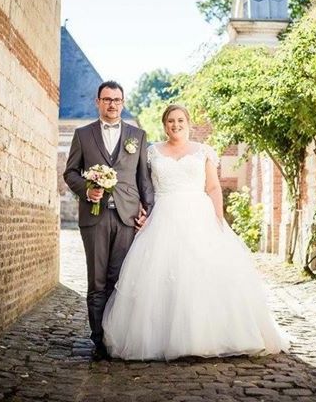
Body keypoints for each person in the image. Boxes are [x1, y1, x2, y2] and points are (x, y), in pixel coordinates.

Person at [102, 104, 287, 360]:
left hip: (198, 216)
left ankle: (206, 336)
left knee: (201, 274)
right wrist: (143, 213)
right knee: (162, 275)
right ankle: (164, 338)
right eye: (170, 121)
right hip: (163, 217)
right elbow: (144, 188)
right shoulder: (152, 152)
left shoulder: (202, 152)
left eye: (180, 120)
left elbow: (212, 188)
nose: (175, 125)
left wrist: (218, 219)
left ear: (188, 123)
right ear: (164, 124)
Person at [63, 81, 154, 361]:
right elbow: (70, 173)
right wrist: (87, 190)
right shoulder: (83, 134)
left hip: (127, 217)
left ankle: (117, 336)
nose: (112, 104)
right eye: (106, 99)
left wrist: (148, 211)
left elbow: (144, 179)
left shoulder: (137, 136)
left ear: (123, 103)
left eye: (116, 100)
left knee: (120, 279)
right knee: (97, 280)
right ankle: (99, 340)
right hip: (95, 217)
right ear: (98, 102)